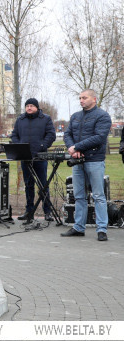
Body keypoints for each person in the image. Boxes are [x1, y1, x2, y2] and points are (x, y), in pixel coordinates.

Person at [61, 89, 112, 242]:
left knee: (98, 196)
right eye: (80, 98)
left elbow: (99, 137)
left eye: (84, 97)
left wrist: (77, 147)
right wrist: (72, 148)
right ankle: (78, 227)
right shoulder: (75, 116)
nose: (81, 100)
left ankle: (102, 229)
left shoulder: (103, 116)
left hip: (95, 160)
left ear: (94, 99)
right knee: (79, 196)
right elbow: (67, 134)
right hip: (78, 161)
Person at [9, 97, 56, 223]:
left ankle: (48, 212)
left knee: (43, 185)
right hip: (25, 157)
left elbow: (51, 134)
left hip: (40, 157)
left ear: (37, 107)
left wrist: (42, 146)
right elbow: (14, 135)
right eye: (27, 106)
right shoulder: (20, 120)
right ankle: (29, 211)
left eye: (31, 106)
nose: (29, 108)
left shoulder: (45, 119)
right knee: (29, 185)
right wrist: (19, 146)